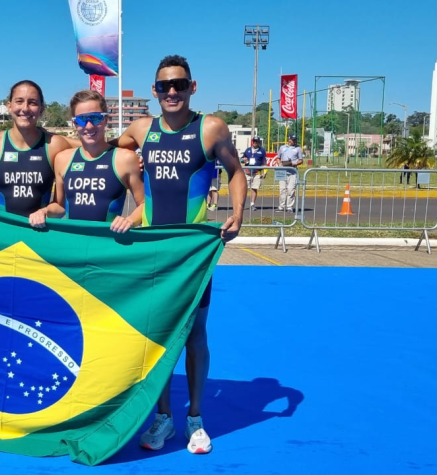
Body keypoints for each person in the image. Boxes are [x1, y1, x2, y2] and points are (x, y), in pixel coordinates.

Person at [110, 54, 246, 455]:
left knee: (195, 335)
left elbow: (236, 172)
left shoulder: (210, 128)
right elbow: (115, 153)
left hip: (191, 254)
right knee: (156, 337)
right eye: (165, 85)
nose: (172, 91)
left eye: (180, 84)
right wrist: (134, 204)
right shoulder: (140, 128)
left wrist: (238, 215)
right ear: (154, 90)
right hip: (153, 252)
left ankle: (196, 418)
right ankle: (164, 417)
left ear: (192, 87)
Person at [28, 90, 144, 231]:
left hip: (108, 245)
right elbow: (60, 206)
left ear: (106, 119)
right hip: (74, 245)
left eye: (95, 118)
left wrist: (129, 220)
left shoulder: (125, 158)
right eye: (82, 120)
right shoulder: (63, 159)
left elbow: (145, 204)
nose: (89, 126)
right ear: (74, 124)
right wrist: (43, 212)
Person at [0, 80, 79, 216]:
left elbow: (94, 147)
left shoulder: (54, 144)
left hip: (39, 233)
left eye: (32, 103)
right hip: (3, 234)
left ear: (41, 108)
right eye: (19, 101)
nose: (25, 108)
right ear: (9, 106)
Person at [277, 135, 303, 212]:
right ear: (289, 139)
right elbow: (278, 158)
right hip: (282, 171)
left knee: (290, 190)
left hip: (292, 171)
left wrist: (294, 164)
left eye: (295, 139)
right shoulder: (282, 147)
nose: (293, 141)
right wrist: (279, 164)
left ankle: (289, 207)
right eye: (292, 139)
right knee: (282, 189)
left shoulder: (298, 149)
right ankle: (281, 206)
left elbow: (301, 160)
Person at [240, 136, 267, 210]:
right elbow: (241, 160)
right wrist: (243, 160)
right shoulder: (248, 150)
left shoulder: (262, 151)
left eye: (256, 141)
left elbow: (264, 162)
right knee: (244, 189)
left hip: (257, 173)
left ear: (258, 142)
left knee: (254, 188)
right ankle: (242, 204)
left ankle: (252, 204)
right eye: (254, 141)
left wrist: (265, 172)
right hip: (247, 172)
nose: (255, 143)